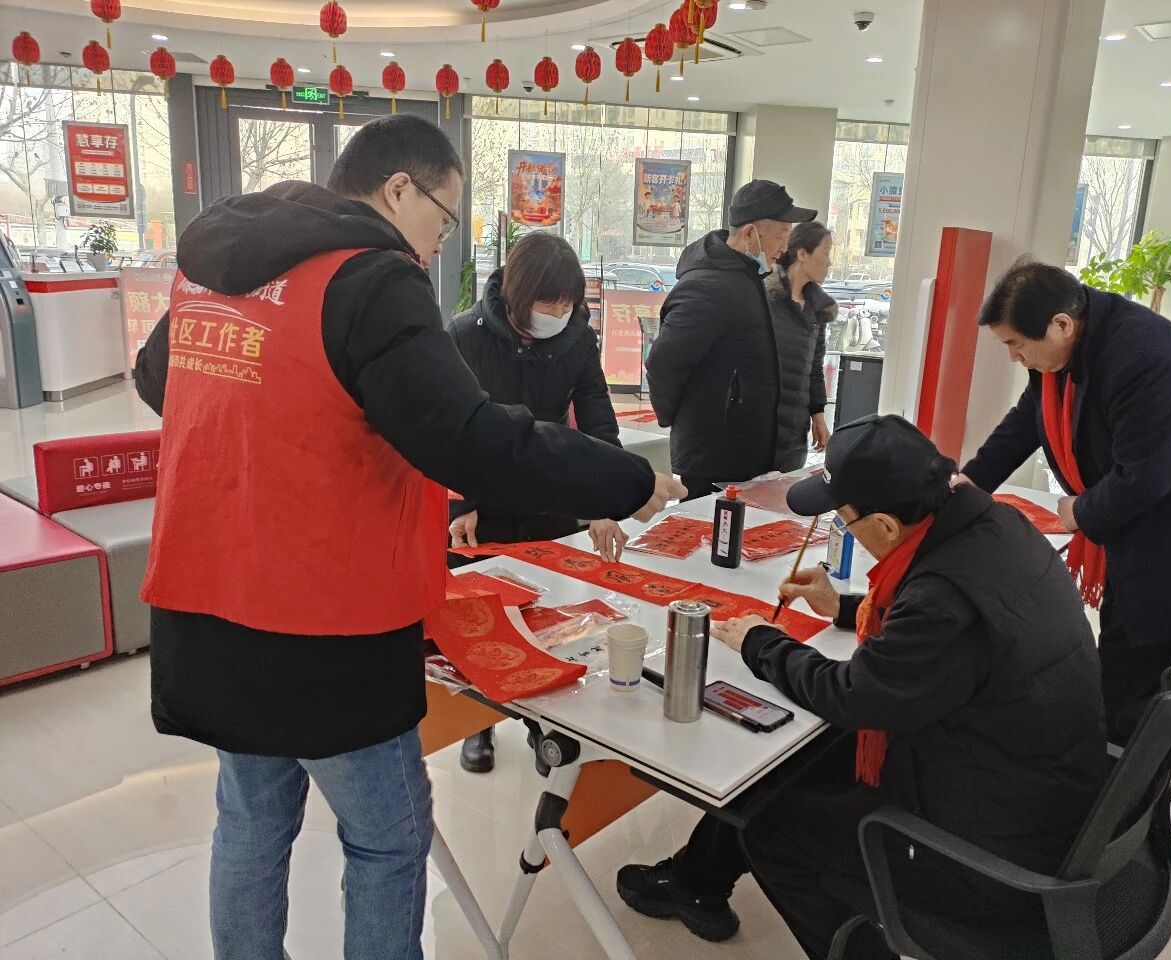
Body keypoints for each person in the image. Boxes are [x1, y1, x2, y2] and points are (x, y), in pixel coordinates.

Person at [133, 115, 685, 960]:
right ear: (398, 189)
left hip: (207, 610)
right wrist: (629, 481)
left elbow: (157, 380)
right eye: (442, 217)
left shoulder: (210, 269)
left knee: (249, 823)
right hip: (325, 625)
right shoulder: (369, 278)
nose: (436, 244)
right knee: (387, 841)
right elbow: (470, 439)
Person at [616, 415, 1106, 960]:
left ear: (886, 527)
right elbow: (929, 647)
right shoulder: (991, 527)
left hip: (991, 850)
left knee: (774, 830)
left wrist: (762, 643)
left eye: (844, 520)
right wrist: (843, 607)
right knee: (787, 764)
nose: (843, 529)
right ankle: (698, 880)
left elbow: (854, 695)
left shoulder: (944, 598)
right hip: (1034, 785)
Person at [957, 258, 1171, 742]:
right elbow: (1028, 419)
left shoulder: (1144, 357)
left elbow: (1144, 478)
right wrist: (972, 482)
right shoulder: (1071, 344)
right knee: (1114, 671)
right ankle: (1116, 755)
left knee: (1120, 689)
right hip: (1149, 527)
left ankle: (1121, 778)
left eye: (1015, 344)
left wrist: (1080, 512)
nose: (1013, 357)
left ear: (1061, 325)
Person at [447, 230, 628, 774]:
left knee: (549, 615)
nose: (558, 313)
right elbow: (445, 427)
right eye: (548, 302)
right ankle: (476, 722)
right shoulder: (464, 336)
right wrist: (461, 504)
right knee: (480, 617)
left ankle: (543, 723)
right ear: (516, 293)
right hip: (483, 501)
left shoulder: (577, 339)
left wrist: (607, 496)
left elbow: (596, 416)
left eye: (567, 303)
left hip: (549, 495)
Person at [645, 179, 817, 499]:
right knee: (711, 531)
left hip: (749, 458)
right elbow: (663, 364)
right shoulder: (708, 286)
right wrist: (681, 418)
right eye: (781, 235)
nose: (785, 247)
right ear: (750, 233)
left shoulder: (752, 279)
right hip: (716, 460)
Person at [763, 221, 835, 470]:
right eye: (825, 253)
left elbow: (814, 368)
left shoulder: (819, 310)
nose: (829, 262)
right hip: (760, 429)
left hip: (795, 434)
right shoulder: (764, 298)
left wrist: (818, 415)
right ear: (802, 254)